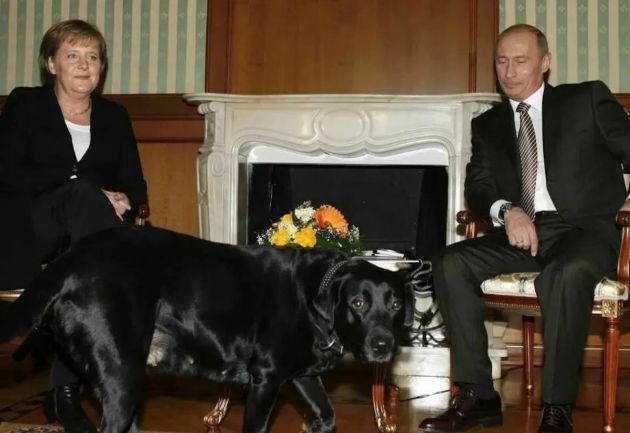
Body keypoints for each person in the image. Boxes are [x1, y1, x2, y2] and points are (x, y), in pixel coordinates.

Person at [418, 24, 630, 433]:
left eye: (520, 61)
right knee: (449, 262)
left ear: (545, 63)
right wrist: (507, 211)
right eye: (501, 61)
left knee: (564, 273)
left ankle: (557, 407)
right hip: (523, 232)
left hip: (584, 233)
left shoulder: (584, 100)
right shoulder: (488, 124)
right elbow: (479, 186)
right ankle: (478, 395)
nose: (509, 71)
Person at [0, 19, 147, 433]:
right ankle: (118, 365)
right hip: (27, 232)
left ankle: (64, 393)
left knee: (90, 279)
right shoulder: (26, 104)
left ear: (101, 67)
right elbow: (7, 174)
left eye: (92, 57)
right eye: (72, 55)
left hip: (83, 241)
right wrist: (90, 191)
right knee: (91, 218)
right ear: (51, 64)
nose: (84, 65)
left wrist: (122, 198)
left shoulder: (115, 117)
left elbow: (135, 187)